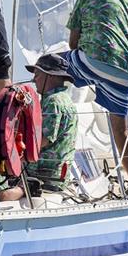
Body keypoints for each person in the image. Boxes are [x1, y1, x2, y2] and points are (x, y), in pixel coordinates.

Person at [62, 0, 128, 195]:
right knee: (121, 129)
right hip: (127, 71)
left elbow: (72, 43)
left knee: (48, 69)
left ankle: (53, 129)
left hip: (95, 61)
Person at [24, 54, 78, 191]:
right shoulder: (65, 100)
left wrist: (17, 153)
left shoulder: (53, 101)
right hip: (55, 176)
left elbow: (43, 139)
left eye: (37, 74)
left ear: (51, 76)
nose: (33, 79)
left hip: (43, 177)